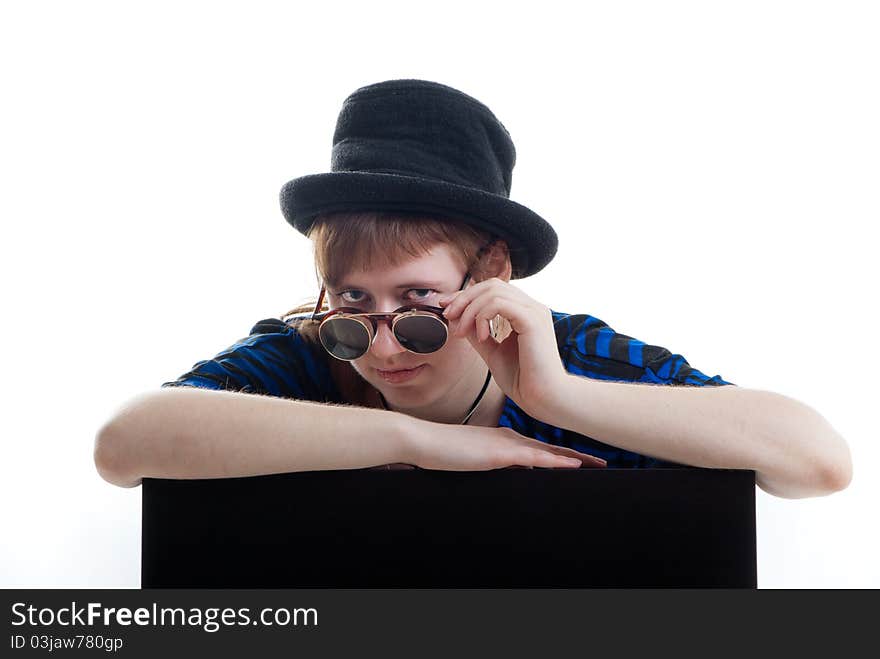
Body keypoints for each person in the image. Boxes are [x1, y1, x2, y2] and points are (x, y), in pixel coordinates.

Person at [94, 79, 852, 498]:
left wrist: (559, 399)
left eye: (419, 305)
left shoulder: (568, 351)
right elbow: (123, 444)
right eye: (353, 304)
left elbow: (817, 461)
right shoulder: (304, 356)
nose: (382, 346)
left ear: (489, 274)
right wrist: (419, 440)